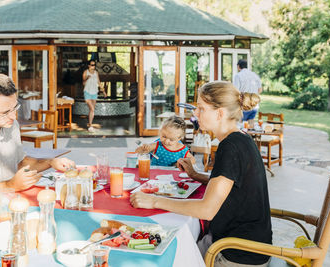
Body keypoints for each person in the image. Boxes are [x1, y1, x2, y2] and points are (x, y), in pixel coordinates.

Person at [131, 81, 272, 267]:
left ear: (220, 113)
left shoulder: (229, 147)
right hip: (250, 245)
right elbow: (233, 185)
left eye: (201, 108)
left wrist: (154, 201)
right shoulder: (242, 138)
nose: (195, 113)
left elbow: (207, 210)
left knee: (163, 252)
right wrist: (196, 175)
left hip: (236, 253)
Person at [0, 73, 75, 206]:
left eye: (15, 108)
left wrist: (51, 162)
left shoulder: (11, 125)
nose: (13, 117)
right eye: (5, 112)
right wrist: (10, 185)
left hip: (10, 203)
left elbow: (20, 162)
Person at [233, 59, 262, 127]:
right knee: (250, 127)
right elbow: (260, 90)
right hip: (254, 105)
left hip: (244, 105)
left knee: (240, 127)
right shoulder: (255, 75)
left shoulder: (238, 76)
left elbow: (235, 91)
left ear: (238, 66)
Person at [82, 60, 106, 132]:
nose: (93, 66)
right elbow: (83, 83)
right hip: (87, 92)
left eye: (94, 65)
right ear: (89, 66)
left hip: (94, 92)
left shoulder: (96, 73)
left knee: (91, 110)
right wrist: (87, 78)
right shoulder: (85, 72)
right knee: (92, 109)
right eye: (92, 65)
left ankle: (90, 124)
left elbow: (99, 82)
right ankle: (90, 126)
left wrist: (104, 91)